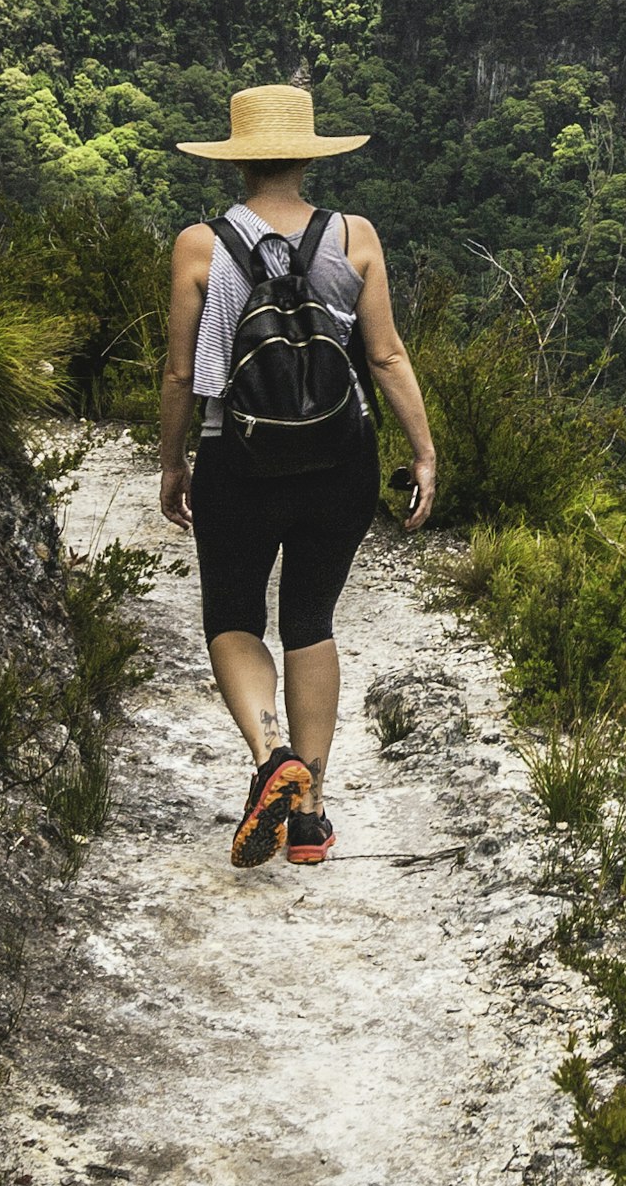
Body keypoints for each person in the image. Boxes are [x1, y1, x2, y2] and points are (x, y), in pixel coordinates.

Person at [154, 85, 437, 869]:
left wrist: (174, 460)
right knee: (311, 618)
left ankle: (269, 750)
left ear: (237, 163)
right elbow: (385, 355)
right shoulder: (356, 237)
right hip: (341, 458)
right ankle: (309, 813)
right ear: (309, 156)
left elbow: (181, 373)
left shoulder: (198, 246)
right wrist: (424, 451)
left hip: (239, 456)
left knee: (234, 615)